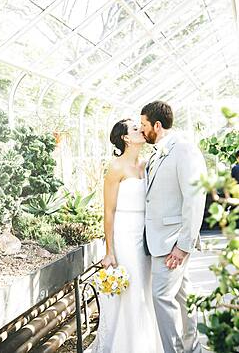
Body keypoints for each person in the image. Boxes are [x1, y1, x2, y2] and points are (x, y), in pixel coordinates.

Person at [89, 119, 163, 353]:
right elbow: (108, 212)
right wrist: (110, 251)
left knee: (146, 288)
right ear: (125, 138)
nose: (141, 129)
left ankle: (148, 342)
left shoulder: (147, 163)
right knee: (132, 288)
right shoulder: (116, 167)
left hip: (147, 235)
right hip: (125, 234)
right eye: (135, 128)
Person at [140, 100, 207, 353]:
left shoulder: (184, 150)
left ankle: (177, 351)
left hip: (172, 242)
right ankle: (193, 349)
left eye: (144, 125)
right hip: (161, 239)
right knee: (183, 298)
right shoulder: (158, 151)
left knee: (162, 297)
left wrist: (183, 244)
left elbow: (194, 198)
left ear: (157, 125)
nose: (142, 129)